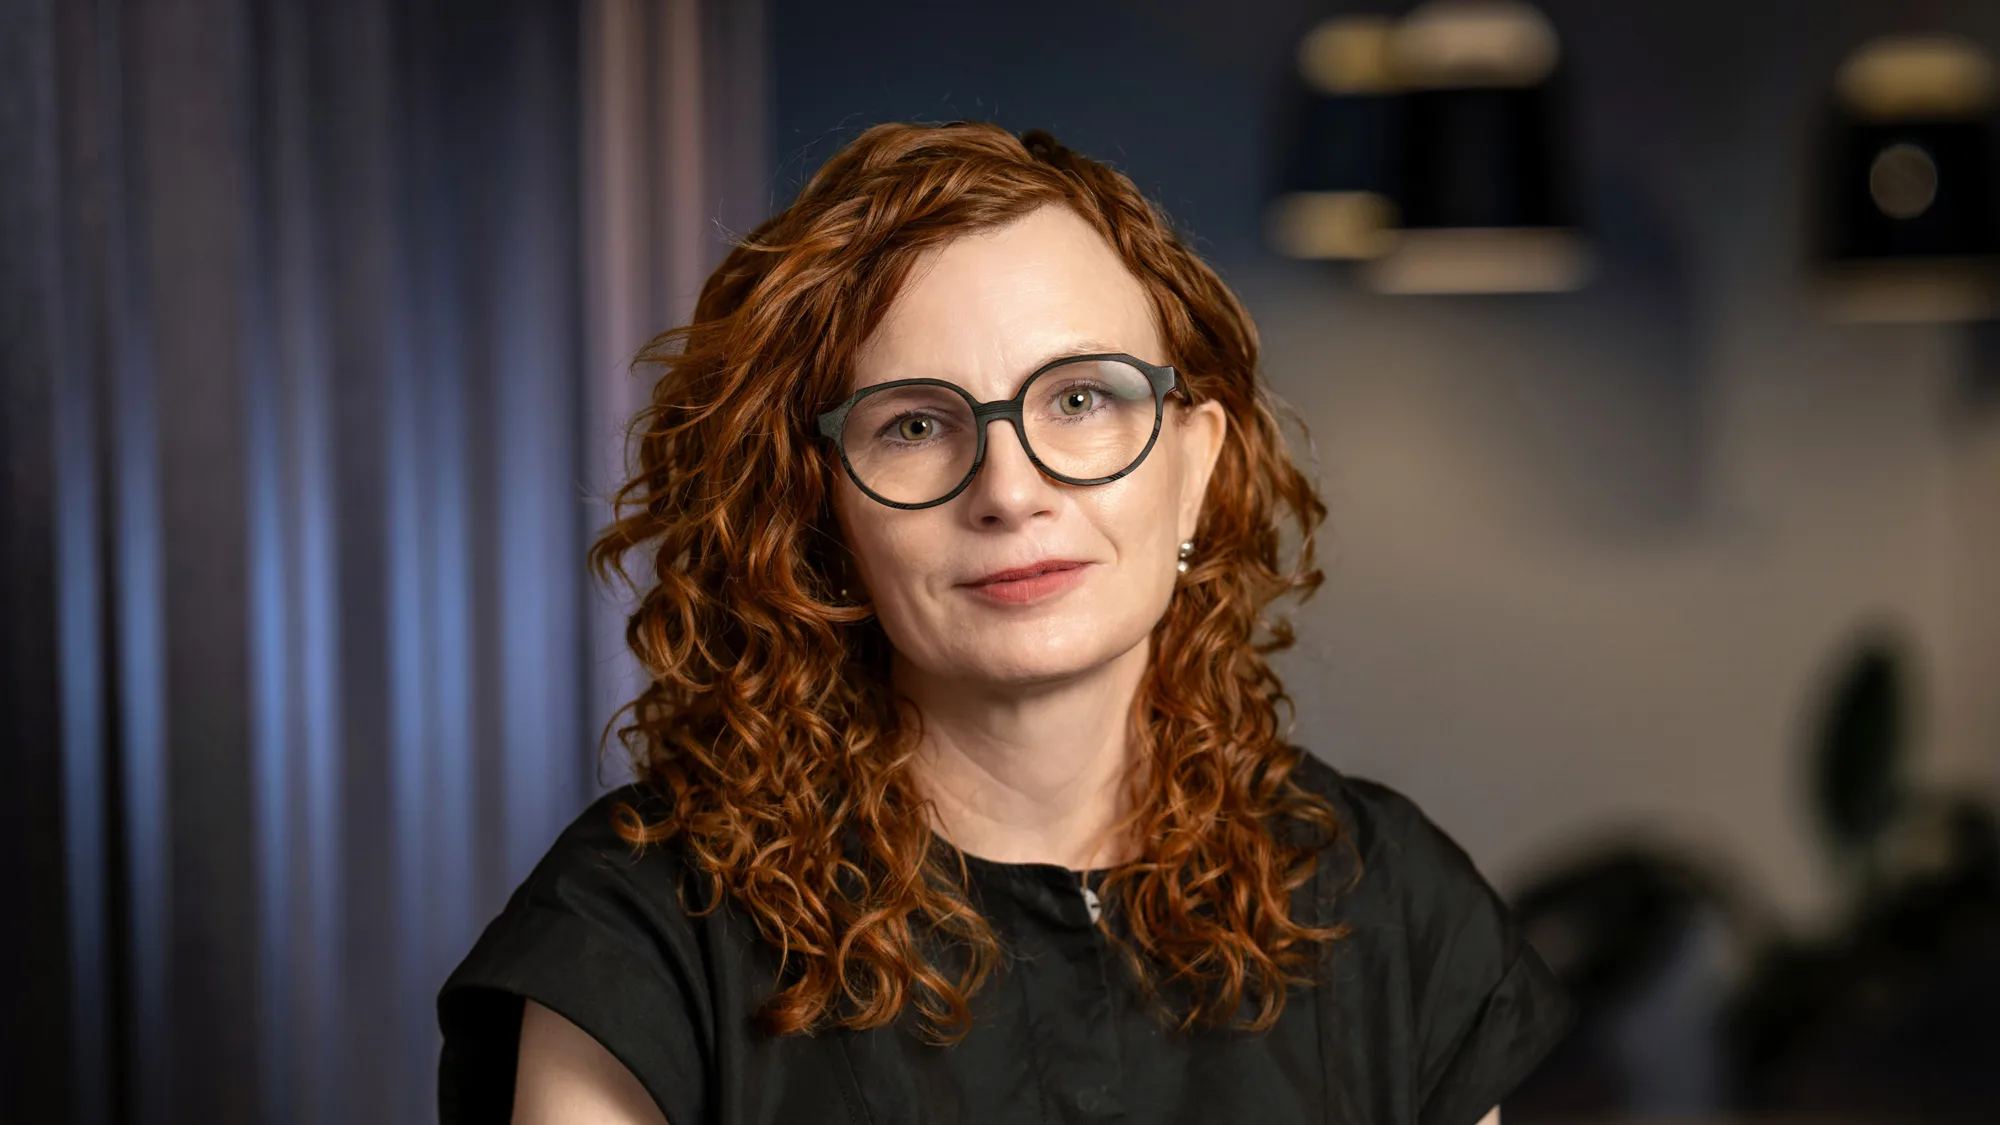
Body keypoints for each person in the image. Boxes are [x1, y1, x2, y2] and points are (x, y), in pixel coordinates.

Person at [436, 121, 1573, 1125]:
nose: (1009, 489)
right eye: (913, 425)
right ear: (818, 517)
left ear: (1193, 467)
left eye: (1080, 398)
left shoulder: (1390, 906)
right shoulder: (638, 933)